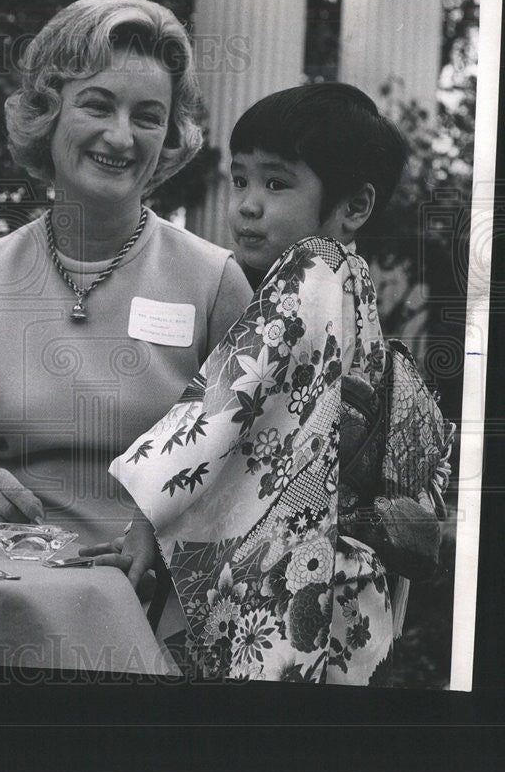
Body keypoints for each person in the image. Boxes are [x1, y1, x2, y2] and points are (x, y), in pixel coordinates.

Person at [89, 82, 455, 684]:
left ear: (354, 206)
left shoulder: (308, 269)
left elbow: (228, 404)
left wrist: (144, 522)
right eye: (241, 180)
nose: (247, 205)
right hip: (351, 587)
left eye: (277, 183)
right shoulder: (353, 282)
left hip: (295, 577)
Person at [0, 0, 252, 547]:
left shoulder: (215, 282)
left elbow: (253, 480)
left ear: (169, 136)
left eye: (148, 117)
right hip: (2, 585)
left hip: (155, 608)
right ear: (46, 114)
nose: (122, 137)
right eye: (98, 106)